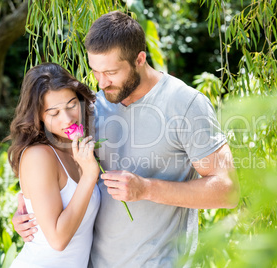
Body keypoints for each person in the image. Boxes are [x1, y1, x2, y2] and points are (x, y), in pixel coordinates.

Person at [13, 11, 239, 267]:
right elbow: (56, 175)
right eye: (95, 72)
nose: (101, 82)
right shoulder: (94, 108)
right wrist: (31, 216)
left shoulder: (186, 105)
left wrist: (146, 189)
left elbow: (228, 191)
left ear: (140, 59)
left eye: (110, 72)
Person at [7, 63, 101, 267]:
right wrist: (88, 176)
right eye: (54, 113)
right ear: (38, 116)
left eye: (71, 105)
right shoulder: (39, 156)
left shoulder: (77, 145)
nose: (67, 119)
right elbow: (58, 240)